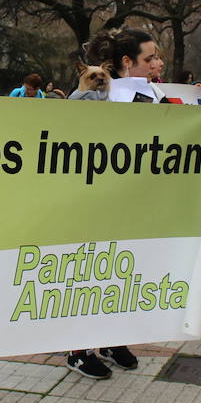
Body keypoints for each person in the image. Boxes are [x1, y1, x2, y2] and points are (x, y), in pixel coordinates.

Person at [61, 27, 163, 379]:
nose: (157, 64)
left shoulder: (152, 94)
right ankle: (77, 349)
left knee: (121, 271)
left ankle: (110, 338)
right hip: (95, 199)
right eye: (150, 58)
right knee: (90, 270)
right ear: (127, 62)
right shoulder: (95, 96)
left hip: (130, 199)